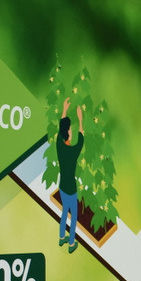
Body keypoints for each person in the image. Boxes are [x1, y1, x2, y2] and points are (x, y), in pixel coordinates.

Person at [56, 98, 83, 254]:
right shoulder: (73, 152)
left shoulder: (59, 145)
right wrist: (80, 119)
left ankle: (61, 237)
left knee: (64, 212)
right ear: (68, 133)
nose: (72, 132)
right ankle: (71, 243)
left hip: (62, 186)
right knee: (73, 217)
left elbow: (62, 127)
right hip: (71, 189)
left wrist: (64, 109)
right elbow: (82, 137)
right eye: (70, 130)